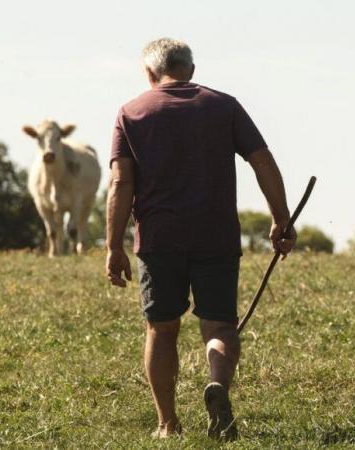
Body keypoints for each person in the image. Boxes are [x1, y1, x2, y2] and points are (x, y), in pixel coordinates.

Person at [106, 37, 296, 440]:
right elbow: (262, 160)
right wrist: (281, 219)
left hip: (159, 240)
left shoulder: (132, 112)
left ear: (149, 73)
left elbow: (121, 183)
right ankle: (217, 386)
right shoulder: (223, 105)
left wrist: (113, 246)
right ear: (190, 69)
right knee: (220, 328)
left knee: (161, 328)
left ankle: (167, 424)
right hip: (216, 235)